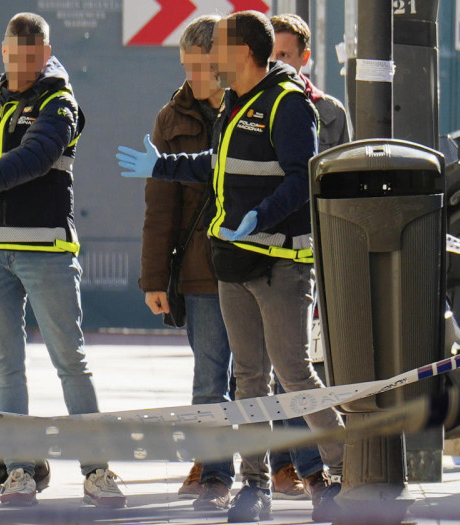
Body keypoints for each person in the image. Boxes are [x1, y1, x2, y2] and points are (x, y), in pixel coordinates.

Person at [116, 11, 346, 523]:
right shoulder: (234, 105)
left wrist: (258, 217)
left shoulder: (288, 105)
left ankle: (341, 471)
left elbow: (300, 179)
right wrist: (161, 166)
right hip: (233, 265)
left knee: (293, 373)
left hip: (280, 267)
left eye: (217, 47)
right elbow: (216, 163)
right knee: (248, 380)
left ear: (242, 53)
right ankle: (255, 485)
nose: (208, 58)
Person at [0, 12, 125, 509]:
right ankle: (18, 471)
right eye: (16, 57)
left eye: (33, 58)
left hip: (44, 250)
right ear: (3, 51)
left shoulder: (58, 101)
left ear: (45, 54)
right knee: (5, 364)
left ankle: (96, 470)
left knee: (70, 361)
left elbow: (37, 156)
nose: (23, 67)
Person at [137, 15, 235, 511]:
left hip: (256, 262)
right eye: (186, 67)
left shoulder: (254, 108)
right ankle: (216, 473)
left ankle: (263, 469)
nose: (191, 77)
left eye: (199, 67)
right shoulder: (170, 119)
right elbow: (161, 208)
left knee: (258, 378)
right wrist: (155, 278)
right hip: (200, 271)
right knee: (209, 378)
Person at [264, 12, 355, 501]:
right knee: (277, 364)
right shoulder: (249, 105)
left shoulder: (330, 111)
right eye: (270, 53)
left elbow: (337, 186)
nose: (276, 62)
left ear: (304, 58)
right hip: (260, 249)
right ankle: (289, 466)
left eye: (284, 54)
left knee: (297, 362)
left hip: (312, 252)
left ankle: (310, 464)